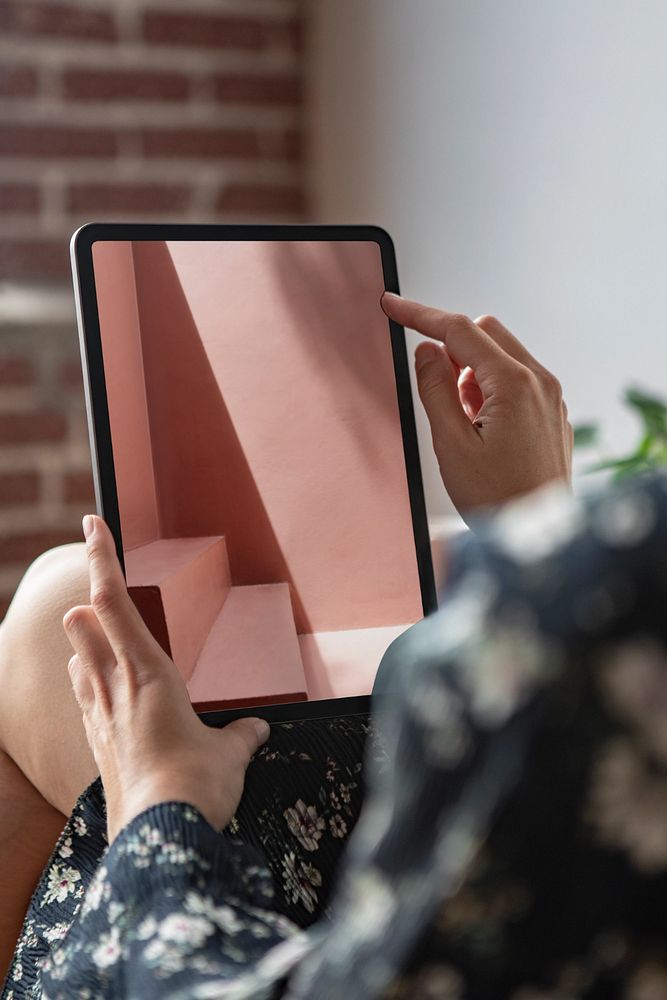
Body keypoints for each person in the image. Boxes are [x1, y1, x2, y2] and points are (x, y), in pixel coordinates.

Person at [2, 292, 629, 998]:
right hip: (501, 806)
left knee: (58, 612)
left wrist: (157, 801)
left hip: (292, 922)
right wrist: (535, 537)